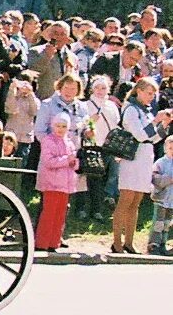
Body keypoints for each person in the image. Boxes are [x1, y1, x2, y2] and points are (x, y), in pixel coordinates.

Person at [114, 77, 173, 254]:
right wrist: (156, 120)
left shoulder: (145, 111)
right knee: (125, 201)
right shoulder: (131, 109)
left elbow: (153, 138)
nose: (151, 97)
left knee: (136, 202)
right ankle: (117, 242)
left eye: (153, 94)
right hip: (132, 159)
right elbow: (140, 135)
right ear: (138, 91)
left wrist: (163, 124)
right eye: (148, 93)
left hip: (145, 157)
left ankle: (129, 243)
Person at [35, 113, 79, 252]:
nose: (60, 129)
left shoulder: (70, 142)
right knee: (49, 213)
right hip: (51, 183)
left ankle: (54, 243)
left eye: (64, 126)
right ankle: (42, 243)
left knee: (60, 215)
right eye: (58, 126)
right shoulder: (48, 141)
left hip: (65, 184)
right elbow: (48, 162)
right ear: (53, 126)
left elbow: (74, 164)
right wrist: (67, 159)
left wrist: (75, 162)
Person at [79, 75, 121, 220]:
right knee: (86, 178)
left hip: (106, 147)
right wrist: (91, 121)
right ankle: (82, 209)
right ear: (92, 88)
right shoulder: (86, 105)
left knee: (99, 178)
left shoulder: (112, 106)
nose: (100, 91)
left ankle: (96, 210)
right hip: (90, 146)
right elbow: (81, 125)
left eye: (103, 88)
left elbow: (116, 125)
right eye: (97, 87)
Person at [149, 138, 173, 256]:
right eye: (170, 148)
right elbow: (154, 178)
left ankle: (163, 243)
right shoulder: (161, 162)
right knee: (158, 222)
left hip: (171, 199)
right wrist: (168, 179)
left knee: (167, 223)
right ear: (165, 148)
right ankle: (154, 244)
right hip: (161, 197)